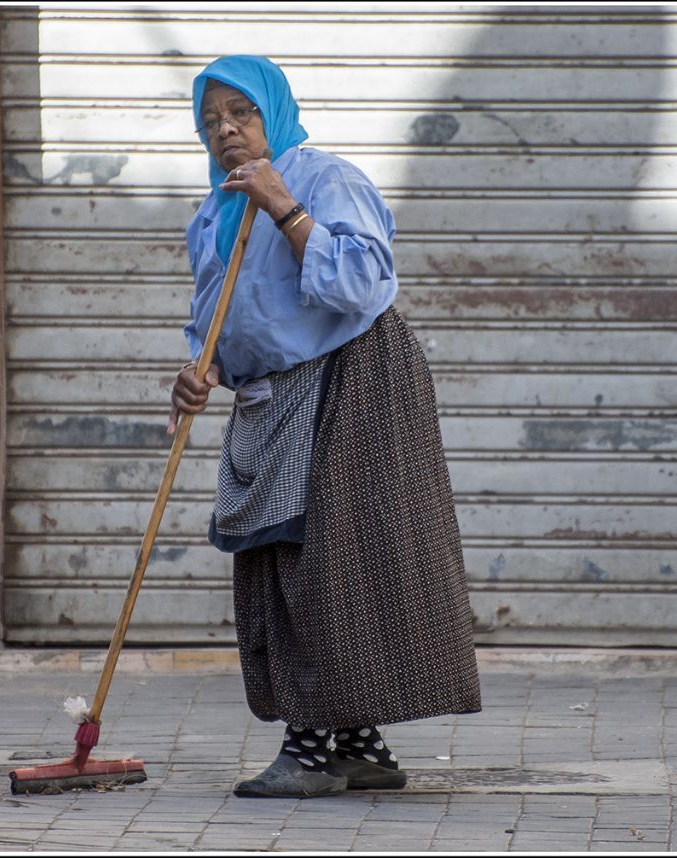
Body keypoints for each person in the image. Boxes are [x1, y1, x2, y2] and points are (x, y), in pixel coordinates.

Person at [167, 55, 481, 799]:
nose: (226, 131)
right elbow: (215, 320)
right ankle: (358, 747)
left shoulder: (324, 179)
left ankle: (311, 750)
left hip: (355, 377)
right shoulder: (212, 213)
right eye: (211, 120)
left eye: (240, 112)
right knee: (282, 559)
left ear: (274, 111)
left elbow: (363, 285)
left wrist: (285, 207)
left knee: (329, 562)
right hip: (274, 396)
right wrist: (199, 370)